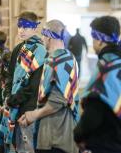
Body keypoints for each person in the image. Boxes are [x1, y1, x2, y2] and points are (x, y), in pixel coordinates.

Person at [18, 20, 79, 153]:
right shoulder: (65, 58)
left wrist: (33, 115)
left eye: (43, 35)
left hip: (57, 137)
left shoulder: (60, 61)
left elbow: (58, 101)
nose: (42, 38)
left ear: (49, 37)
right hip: (53, 134)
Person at [0, 11, 47, 153]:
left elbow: (34, 85)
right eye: (19, 26)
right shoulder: (18, 49)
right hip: (12, 103)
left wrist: (14, 99)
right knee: (13, 144)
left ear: (35, 28)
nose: (21, 30)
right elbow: (10, 76)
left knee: (26, 146)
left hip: (28, 106)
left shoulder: (41, 51)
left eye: (26, 27)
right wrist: (7, 96)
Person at [73, 16, 121, 153]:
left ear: (100, 40)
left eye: (93, 38)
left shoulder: (106, 69)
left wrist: (78, 135)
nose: (93, 42)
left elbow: (94, 113)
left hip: (106, 143)